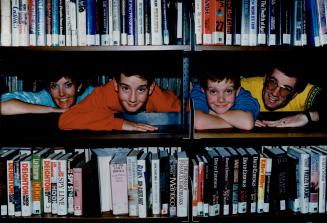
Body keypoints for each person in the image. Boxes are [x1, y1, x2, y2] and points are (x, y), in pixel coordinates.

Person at [58, 70, 181, 132]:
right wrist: (120, 124)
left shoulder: (159, 98)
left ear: (151, 88)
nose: (133, 98)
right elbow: (65, 120)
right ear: (115, 85)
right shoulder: (105, 94)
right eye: (125, 88)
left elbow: (193, 116)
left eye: (141, 89)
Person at [241, 62, 322, 127]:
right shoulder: (245, 87)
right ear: (265, 78)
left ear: (294, 94)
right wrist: (240, 119)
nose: (275, 93)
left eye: (286, 89)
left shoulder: (302, 92)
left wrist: (307, 116)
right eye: (272, 82)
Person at [190, 71, 260, 130]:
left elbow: (247, 123)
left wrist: (210, 112)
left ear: (237, 91)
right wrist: (236, 123)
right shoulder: (199, 91)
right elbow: (197, 122)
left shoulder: (243, 95)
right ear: (204, 91)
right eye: (213, 91)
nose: (221, 100)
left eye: (228, 91)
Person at [1, 73, 94, 115]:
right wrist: (53, 110)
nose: (61, 94)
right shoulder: (44, 98)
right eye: (54, 86)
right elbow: (3, 107)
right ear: (49, 89)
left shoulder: (91, 94)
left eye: (68, 85)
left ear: (79, 86)